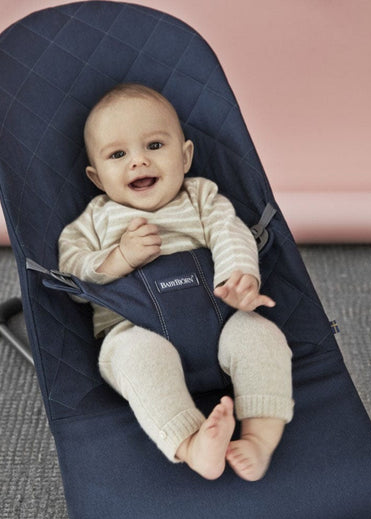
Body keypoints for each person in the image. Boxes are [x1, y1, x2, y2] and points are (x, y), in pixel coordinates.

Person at [58, 83, 294, 481]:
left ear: (185, 157)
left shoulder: (201, 197)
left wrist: (239, 277)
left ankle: (259, 438)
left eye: (154, 146)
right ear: (97, 177)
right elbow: (72, 270)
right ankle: (191, 444)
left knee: (262, 337)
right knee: (135, 359)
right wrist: (118, 258)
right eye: (118, 155)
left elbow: (230, 233)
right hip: (135, 329)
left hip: (221, 322)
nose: (138, 161)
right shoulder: (94, 220)